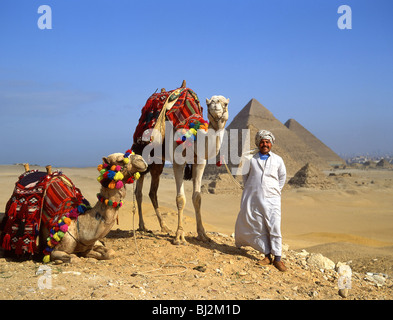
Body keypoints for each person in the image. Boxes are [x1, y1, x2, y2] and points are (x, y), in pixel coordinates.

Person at [235, 129, 287, 272]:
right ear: (258, 143)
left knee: (275, 227)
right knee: (259, 227)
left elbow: (282, 177)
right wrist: (254, 189)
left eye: (267, 142)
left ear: (271, 144)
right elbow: (245, 177)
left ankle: (278, 258)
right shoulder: (250, 159)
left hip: (273, 200)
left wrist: (274, 190)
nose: (265, 144)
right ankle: (266, 255)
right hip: (255, 199)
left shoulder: (278, 160)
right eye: (262, 142)